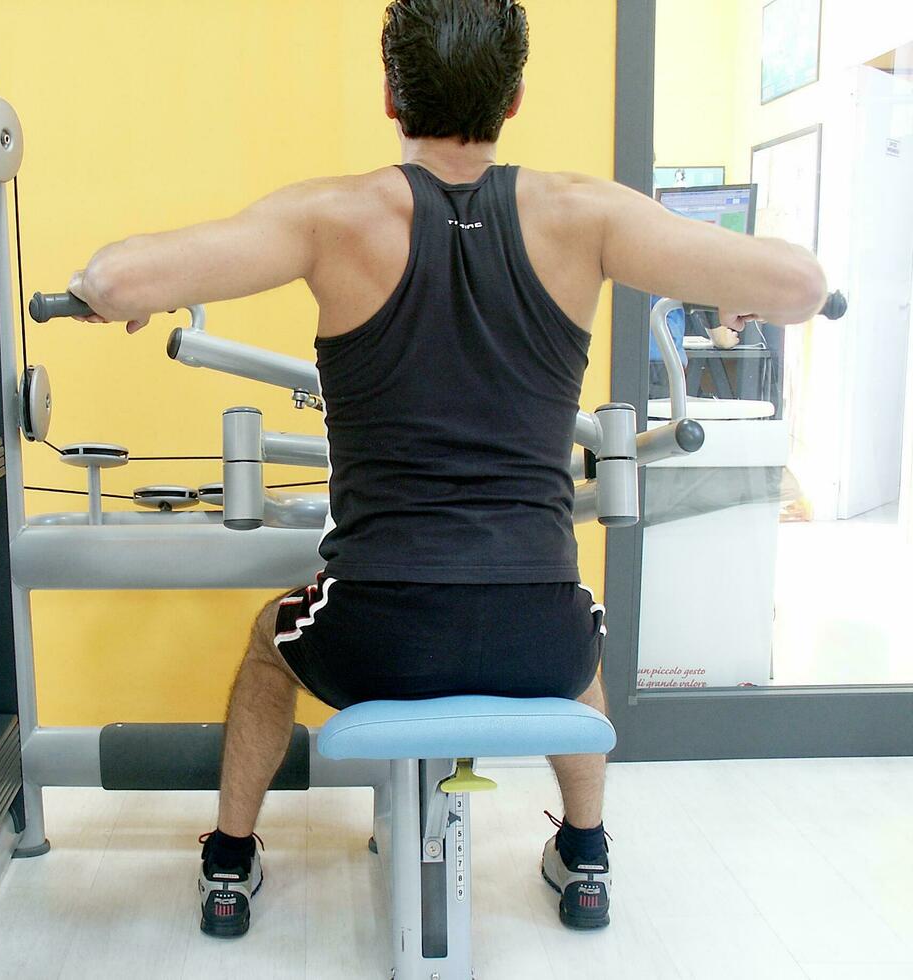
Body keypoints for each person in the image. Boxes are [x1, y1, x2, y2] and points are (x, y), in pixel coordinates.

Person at [67, 0, 827, 939]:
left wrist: (135, 293)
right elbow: (799, 285)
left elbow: (110, 280)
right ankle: (585, 856)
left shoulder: (333, 215)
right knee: (578, 624)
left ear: (391, 94)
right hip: (534, 636)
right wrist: (744, 290)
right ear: (514, 98)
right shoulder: (584, 214)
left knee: (273, 637)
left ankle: (229, 861)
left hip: (376, 635)